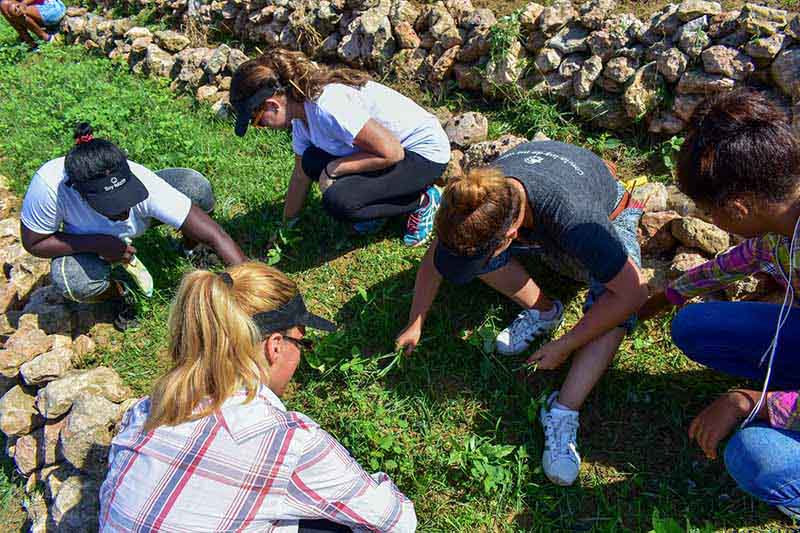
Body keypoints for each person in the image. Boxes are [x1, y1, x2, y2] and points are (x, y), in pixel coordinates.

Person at [395, 140, 649, 487]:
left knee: (613, 302)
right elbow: (441, 255)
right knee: (474, 258)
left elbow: (635, 294)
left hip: (608, 215)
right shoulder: (475, 201)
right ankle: (546, 311)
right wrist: (415, 321)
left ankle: (562, 410)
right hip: (547, 229)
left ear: (511, 235)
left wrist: (567, 344)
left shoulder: (577, 221)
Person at [99, 262, 417, 532]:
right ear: (275, 345)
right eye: (302, 345)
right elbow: (395, 520)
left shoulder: (147, 410)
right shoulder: (286, 443)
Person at [639, 90, 800, 519]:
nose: (710, 220)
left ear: (738, 208)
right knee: (695, 324)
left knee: (754, 456)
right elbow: (735, 262)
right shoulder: (783, 222)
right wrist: (666, 296)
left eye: (709, 211)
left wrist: (750, 401)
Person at [20, 122, 247, 330]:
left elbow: (217, 236)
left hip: (144, 222)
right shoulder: (51, 186)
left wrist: (251, 282)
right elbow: (34, 242)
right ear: (79, 192)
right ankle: (120, 292)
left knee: (195, 188)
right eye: (112, 206)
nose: (124, 211)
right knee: (72, 282)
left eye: (128, 197)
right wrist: (99, 243)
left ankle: (191, 248)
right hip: (87, 240)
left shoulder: (145, 183)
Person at [229, 49, 450, 247]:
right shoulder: (300, 116)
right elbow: (300, 174)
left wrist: (334, 168)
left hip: (422, 155)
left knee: (340, 202)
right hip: (389, 150)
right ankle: (379, 206)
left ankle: (422, 199)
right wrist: (286, 226)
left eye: (258, 121)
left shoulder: (329, 106)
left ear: (272, 106)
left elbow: (392, 152)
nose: (261, 128)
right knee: (310, 161)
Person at [0, 0, 65, 50]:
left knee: (16, 10)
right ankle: (30, 42)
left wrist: (24, 3)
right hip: (37, 14)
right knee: (4, 5)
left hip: (52, 9)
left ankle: (48, 38)